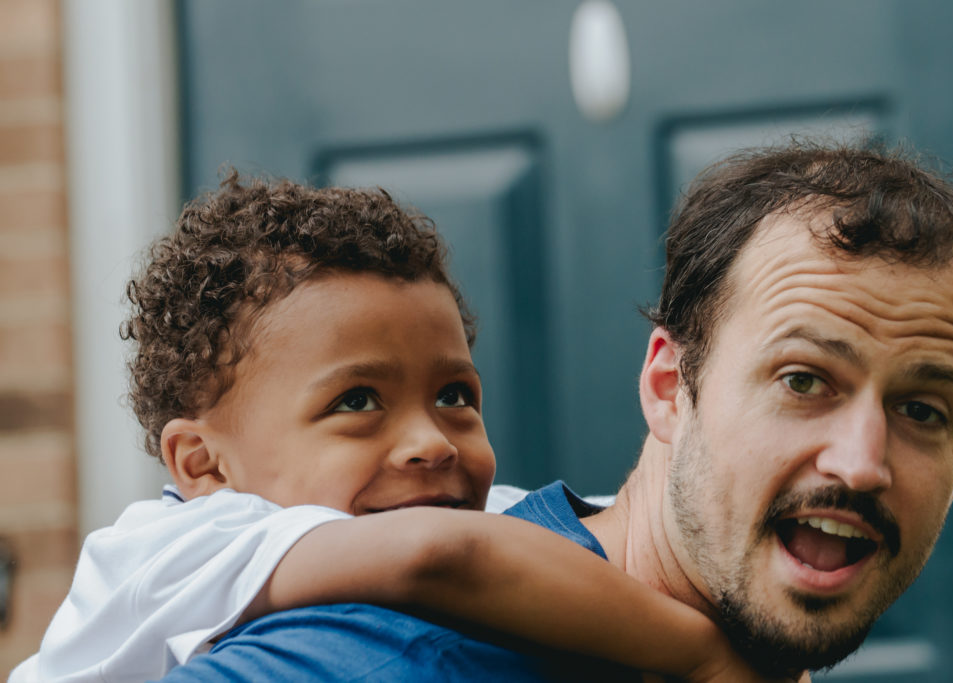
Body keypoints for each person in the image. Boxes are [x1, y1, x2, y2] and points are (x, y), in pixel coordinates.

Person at [158, 140, 953, 681]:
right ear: (667, 386)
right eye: (803, 380)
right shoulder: (385, 657)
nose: (862, 461)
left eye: (921, 408)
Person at [11, 174, 772, 683]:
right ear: (204, 464)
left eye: (453, 394)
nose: (431, 441)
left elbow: (608, 532)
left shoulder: (441, 517)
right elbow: (438, 561)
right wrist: (703, 656)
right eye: (357, 402)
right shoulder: (178, 549)